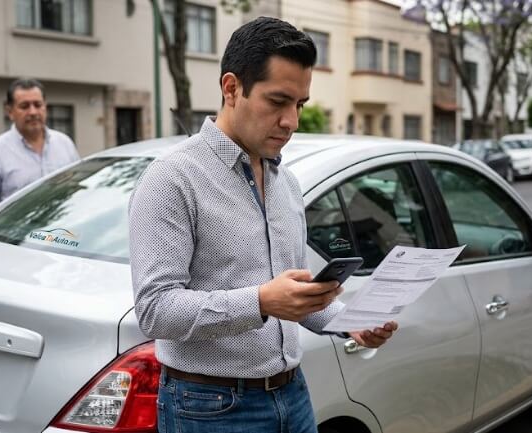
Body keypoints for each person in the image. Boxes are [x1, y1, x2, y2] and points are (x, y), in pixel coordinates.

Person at [129, 17, 398, 433]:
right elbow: (155, 310)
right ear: (231, 88)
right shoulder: (172, 178)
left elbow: (294, 297)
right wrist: (260, 302)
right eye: (278, 101)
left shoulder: (285, 181)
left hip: (293, 394)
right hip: (209, 407)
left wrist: (350, 322)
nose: (292, 120)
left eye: (300, 104)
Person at [0, 78, 80, 216]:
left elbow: (75, 191)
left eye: (37, 104)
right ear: (10, 111)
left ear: (45, 106)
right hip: (15, 236)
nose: (33, 112)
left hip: (62, 233)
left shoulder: (65, 144)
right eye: (24, 106)